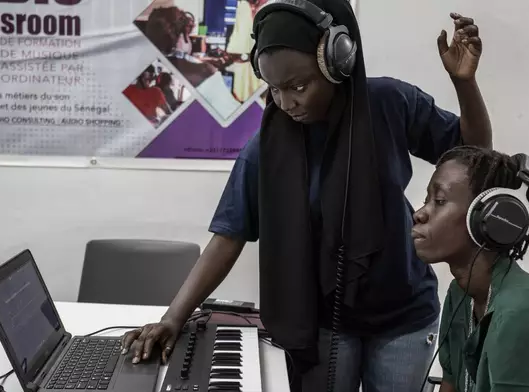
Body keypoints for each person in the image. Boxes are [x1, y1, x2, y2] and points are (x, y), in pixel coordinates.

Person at [122, 0, 492, 390]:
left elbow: (475, 155)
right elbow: (228, 236)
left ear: (338, 64)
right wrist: (173, 317)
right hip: (321, 324)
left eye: (298, 86)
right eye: (275, 89)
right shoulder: (265, 149)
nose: (286, 103)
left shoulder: (389, 104)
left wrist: (464, 83)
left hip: (404, 316)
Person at [412, 145, 529, 392]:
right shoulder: (461, 295)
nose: (420, 214)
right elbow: (452, 383)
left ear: (491, 220)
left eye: (440, 201)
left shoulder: (518, 318)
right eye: (427, 200)